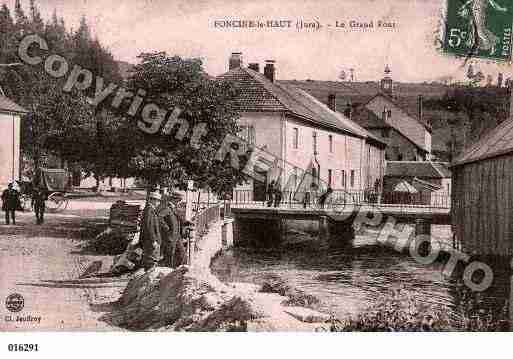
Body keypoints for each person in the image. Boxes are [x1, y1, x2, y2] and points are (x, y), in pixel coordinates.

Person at [158, 191, 187, 268]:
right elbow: (159, 218)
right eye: (178, 200)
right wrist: (167, 229)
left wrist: (186, 222)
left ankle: (178, 270)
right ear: (173, 199)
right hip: (170, 236)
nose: (179, 202)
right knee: (170, 256)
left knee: (182, 254)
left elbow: (178, 219)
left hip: (177, 236)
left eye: (179, 200)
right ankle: (168, 272)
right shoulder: (167, 208)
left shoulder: (174, 208)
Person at [139, 191, 162, 272]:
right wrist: (153, 241)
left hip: (152, 241)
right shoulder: (149, 210)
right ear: (152, 200)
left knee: (152, 261)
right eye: (157, 200)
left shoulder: (151, 210)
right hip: (150, 241)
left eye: (159, 201)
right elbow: (149, 227)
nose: (158, 203)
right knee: (151, 261)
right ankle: (148, 280)